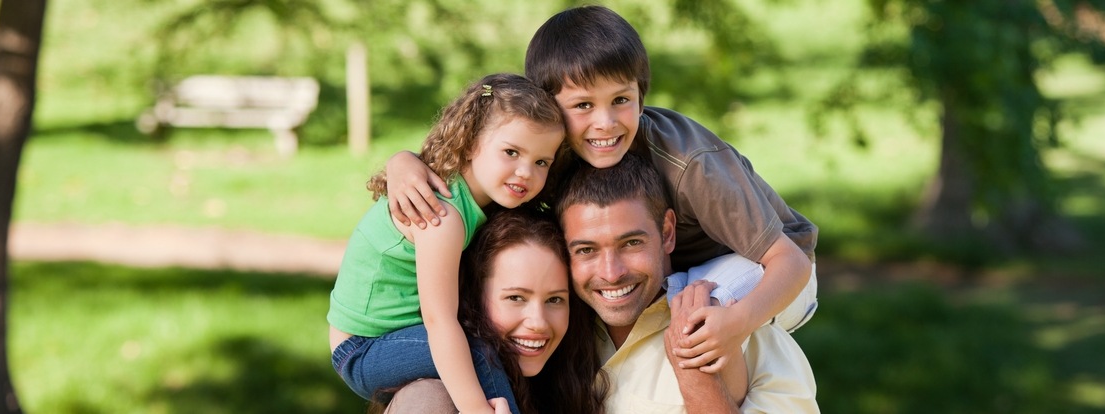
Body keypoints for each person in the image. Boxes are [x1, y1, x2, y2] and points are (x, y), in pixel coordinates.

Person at [384, 5, 819, 375]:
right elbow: (472, 163)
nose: (605, 123)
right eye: (583, 106)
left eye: (621, 100)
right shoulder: (545, 151)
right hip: (658, 270)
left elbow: (790, 261)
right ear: (550, 107)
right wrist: (403, 163)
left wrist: (737, 323)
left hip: (771, 270)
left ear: (642, 95)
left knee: (695, 317)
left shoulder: (691, 163)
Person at [327, 73, 566, 414]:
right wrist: (475, 408)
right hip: (364, 351)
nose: (526, 172)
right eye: (511, 152)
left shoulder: (478, 198)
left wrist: (402, 158)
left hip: (394, 340)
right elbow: (439, 322)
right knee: (479, 353)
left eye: (541, 161)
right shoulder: (444, 215)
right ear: (470, 144)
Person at [557, 153, 818, 413]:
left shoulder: (741, 332)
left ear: (667, 233)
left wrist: (696, 379)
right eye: (586, 250)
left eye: (632, 243)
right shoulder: (558, 339)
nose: (612, 274)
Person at [382, 208, 607, 414]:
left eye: (555, 299)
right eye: (515, 298)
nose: (539, 322)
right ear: (473, 298)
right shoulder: (429, 399)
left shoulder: (569, 380)